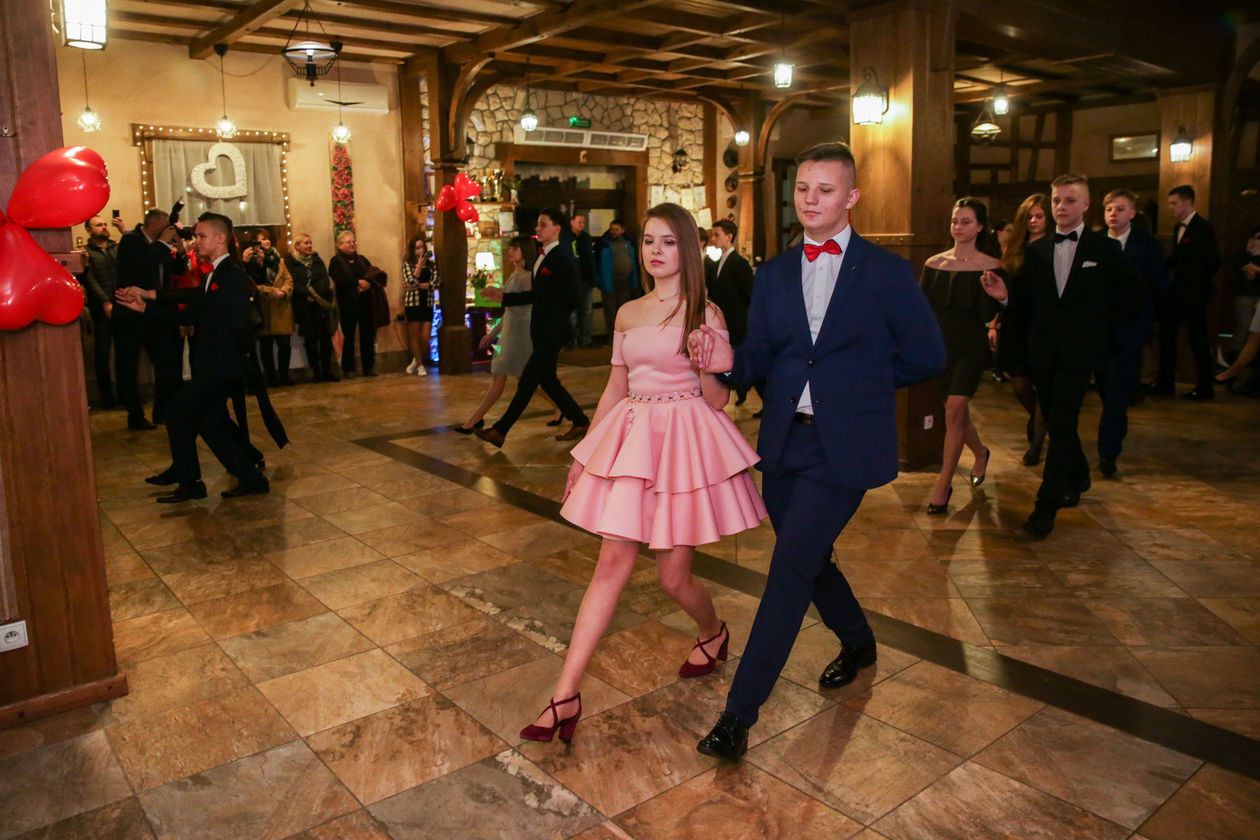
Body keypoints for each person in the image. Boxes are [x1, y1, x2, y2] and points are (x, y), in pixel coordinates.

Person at [686, 141, 946, 761]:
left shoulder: (885, 272)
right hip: (785, 441)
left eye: (825, 190)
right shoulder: (775, 272)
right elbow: (762, 352)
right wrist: (727, 362)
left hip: (844, 448)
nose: (810, 199)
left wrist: (856, 387)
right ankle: (857, 640)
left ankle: (738, 716)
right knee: (808, 558)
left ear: (851, 197)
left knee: (788, 570)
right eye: (803, 188)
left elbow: (927, 355)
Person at [521, 203, 766, 744]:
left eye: (669, 242)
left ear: (688, 249)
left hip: (683, 445)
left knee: (673, 578)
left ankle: (713, 632)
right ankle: (565, 694)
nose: (656, 251)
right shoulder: (628, 312)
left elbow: (718, 400)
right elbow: (615, 388)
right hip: (632, 441)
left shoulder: (707, 311)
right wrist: (584, 457)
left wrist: (708, 360)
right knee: (611, 563)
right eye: (649, 241)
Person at [981, 174, 1143, 538]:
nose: (1061, 207)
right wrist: (1003, 296)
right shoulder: (1037, 251)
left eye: (1069, 200)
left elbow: (1132, 295)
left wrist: (1103, 334)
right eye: (1056, 200)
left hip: (1080, 353)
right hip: (1043, 351)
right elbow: (1025, 305)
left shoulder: (1104, 249)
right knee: (1057, 421)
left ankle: (1046, 506)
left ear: (1085, 205)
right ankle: (1080, 475)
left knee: (1063, 419)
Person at [115, 213, 271, 502]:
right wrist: (147, 301)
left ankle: (191, 481)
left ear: (220, 238)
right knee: (209, 422)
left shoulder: (232, 275)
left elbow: (239, 324)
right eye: (196, 236)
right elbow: (191, 307)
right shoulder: (215, 273)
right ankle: (247, 478)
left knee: (177, 412)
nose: (196, 241)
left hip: (221, 365)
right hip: (213, 363)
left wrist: (239, 359)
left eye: (201, 236)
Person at [476, 209, 591, 447]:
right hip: (540, 330)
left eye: (543, 224)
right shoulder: (541, 259)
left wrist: (553, 313)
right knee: (548, 381)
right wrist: (503, 297)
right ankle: (580, 421)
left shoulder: (562, 259)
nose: (537, 229)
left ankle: (500, 430)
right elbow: (536, 295)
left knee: (527, 380)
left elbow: (573, 298)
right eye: (537, 225)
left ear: (557, 229)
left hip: (553, 331)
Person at [920, 198, 1002, 514]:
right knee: (955, 413)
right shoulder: (934, 264)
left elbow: (994, 311)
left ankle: (943, 485)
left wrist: (999, 297)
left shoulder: (991, 265)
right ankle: (980, 452)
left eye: (966, 221)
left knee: (954, 409)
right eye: (955, 221)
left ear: (980, 226)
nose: (958, 227)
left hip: (971, 346)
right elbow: (920, 309)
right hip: (940, 346)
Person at [1096, 189, 1170, 477]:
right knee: (1105, 387)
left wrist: (1146, 322)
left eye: (1120, 209)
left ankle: (1108, 453)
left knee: (1116, 391)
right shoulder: (1095, 242)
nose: (1113, 214)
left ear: (1131, 213)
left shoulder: (1145, 244)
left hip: (1129, 329)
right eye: (1109, 209)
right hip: (1098, 329)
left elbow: (1158, 284)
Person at [456, 236, 538, 433]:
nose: (510, 251)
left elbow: (523, 306)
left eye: (515, 248)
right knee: (513, 376)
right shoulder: (514, 275)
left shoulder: (527, 277)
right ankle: (476, 419)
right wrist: (492, 333)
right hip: (511, 332)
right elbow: (509, 311)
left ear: (525, 252)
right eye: (510, 248)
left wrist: (498, 294)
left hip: (520, 333)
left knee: (519, 377)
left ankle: (474, 420)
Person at [115, 209, 187, 429]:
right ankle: (135, 415)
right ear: (155, 224)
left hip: (156, 311)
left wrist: (180, 250)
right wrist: (163, 243)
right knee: (128, 364)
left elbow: (177, 270)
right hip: (130, 311)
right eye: (166, 224)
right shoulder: (131, 240)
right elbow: (143, 266)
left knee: (166, 360)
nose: (169, 229)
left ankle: (162, 411)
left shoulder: (160, 246)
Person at [997, 193, 1050, 465]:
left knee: (1045, 384)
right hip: (1016, 322)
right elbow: (1006, 288)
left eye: (1039, 216)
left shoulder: (1054, 247)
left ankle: (1035, 447)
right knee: (1020, 384)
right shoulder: (1015, 248)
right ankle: (1037, 417)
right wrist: (995, 322)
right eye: (1029, 217)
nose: (1033, 221)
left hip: (1045, 323)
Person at [1155, 185, 1221, 400]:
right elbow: (1178, 258)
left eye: (1173, 203)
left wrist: (1196, 278)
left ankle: (1204, 387)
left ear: (1187, 202)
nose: (1169, 207)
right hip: (1178, 292)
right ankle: (1165, 383)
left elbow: (1214, 261)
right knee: (1166, 334)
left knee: (1198, 338)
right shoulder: (1178, 227)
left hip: (1196, 293)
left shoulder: (1203, 227)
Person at [705, 219, 757, 406]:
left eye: (716, 235)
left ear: (729, 236)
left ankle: (758, 394)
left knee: (744, 361)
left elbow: (750, 294)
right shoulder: (717, 261)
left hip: (738, 323)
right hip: (724, 322)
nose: (713, 239)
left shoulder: (739, 263)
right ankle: (741, 390)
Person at [79, 213, 127, 408]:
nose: (104, 227)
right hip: (101, 310)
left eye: (105, 224)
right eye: (98, 225)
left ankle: (126, 396)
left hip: (122, 305)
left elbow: (129, 266)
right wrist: (105, 301)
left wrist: (124, 231)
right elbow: (89, 279)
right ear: (89, 229)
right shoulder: (86, 252)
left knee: (124, 353)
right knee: (102, 354)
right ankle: (107, 399)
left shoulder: (116, 247)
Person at [329, 230, 386, 377]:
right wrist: (357, 282)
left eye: (353, 241)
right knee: (348, 336)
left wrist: (367, 283)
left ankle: (368, 367)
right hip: (347, 304)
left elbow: (371, 274)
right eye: (348, 242)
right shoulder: (335, 261)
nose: (352, 244)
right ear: (339, 245)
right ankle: (348, 369)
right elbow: (339, 279)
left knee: (367, 335)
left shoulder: (362, 260)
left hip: (365, 303)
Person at [244, 230, 295, 387]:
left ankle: (284, 376)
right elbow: (251, 284)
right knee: (266, 347)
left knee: (284, 345)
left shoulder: (279, 260)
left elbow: (288, 280)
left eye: (267, 239)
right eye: (261, 240)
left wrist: (284, 291)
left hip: (281, 308)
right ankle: (272, 378)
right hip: (264, 308)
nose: (266, 242)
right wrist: (272, 291)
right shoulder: (252, 262)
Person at [285, 233, 338, 382]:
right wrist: (307, 293)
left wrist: (317, 294)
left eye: (310, 242)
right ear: (297, 246)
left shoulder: (316, 259)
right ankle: (316, 372)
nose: (309, 246)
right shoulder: (290, 261)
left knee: (325, 338)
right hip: (304, 305)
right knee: (310, 340)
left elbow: (324, 278)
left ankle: (327, 370)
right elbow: (293, 281)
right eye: (305, 243)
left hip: (320, 304)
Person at [596, 219, 638, 339]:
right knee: (610, 312)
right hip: (609, 285)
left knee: (625, 313)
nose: (613, 232)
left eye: (616, 230)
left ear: (622, 230)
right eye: (611, 229)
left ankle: (625, 338)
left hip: (626, 284)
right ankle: (612, 339)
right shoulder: (603, 244)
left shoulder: (630, 243)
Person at [400, 235, 436, 376]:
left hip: (427, 303)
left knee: (425, 337)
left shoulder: (432, 265)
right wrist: (419, 266)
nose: (421, 250)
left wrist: (417, 286)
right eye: (417, 248)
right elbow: (410, 280)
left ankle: (416, 360)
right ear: (412, 250)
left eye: (422, 247)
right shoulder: (408, 265)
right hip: (413, 303)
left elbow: (435, 283)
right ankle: (420, 366)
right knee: (414, 335)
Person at [567, 213, 597, 347]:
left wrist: (594, 276)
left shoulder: (585, 237)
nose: (582, 225)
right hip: (572, 281)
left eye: (584, 222)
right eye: (579, 222)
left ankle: (585, 339)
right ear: (572, 222)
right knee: (572, 313)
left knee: (587, 311)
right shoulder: (566, 238)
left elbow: (590, 258)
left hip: (586, 280)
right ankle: (572, 341)